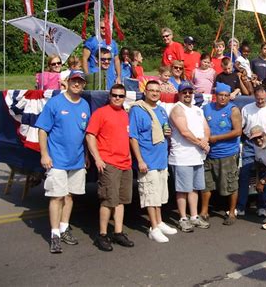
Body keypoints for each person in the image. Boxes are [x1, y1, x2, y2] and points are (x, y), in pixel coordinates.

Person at [35, 70, 91, 253]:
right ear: (67, 82)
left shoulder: (84, 105)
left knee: (69, 196)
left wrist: (86, 156)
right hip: (57, 159)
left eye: (80, 81)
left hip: (77, 160)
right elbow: (42, 130)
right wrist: (44, 154)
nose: (77, 84)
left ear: (84, 85)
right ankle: (54, 235)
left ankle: (64, 228)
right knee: (57, 196)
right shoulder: (55, 102)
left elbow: (84, 134)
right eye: (74, 80)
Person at [86, 84, 134, 251]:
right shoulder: (101, 113)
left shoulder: (125, 115)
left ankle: (118, 232)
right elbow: (90, 135)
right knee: (108, 200)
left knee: (121, 200)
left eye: (121, 96)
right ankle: (103, 234)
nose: (117, 98)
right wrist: (97, 158)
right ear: (109, 96)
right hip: (109, 163)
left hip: (125, 164)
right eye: (114, 95)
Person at [130, 80, 178, 242]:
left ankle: (159, 221)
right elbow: (133, 138)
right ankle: (153, 228)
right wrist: (140, 160)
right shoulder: (138, 110)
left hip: (161, 159)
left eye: (157, 91)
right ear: (145, 91)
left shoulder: (162, 111)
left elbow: (164, 130)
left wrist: (168, 133)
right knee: (150, 195)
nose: (155, 93)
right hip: (147, 160)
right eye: (151, 90)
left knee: (159, 194)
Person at [168, 81, 211, 232]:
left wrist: (205, 141)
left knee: (194, 188)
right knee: (182, 189)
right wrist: (201, 144)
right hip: (182, 156)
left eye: (189, 92)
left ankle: (194, 216)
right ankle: (183, 218)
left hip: (197, 156)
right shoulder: (177, 109)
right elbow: (184, 132)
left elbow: (206, 128)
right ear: (179, 94)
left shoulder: (198, 110)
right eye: (184, 92)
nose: (187, 94)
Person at [237, 86, 266, 217]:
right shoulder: (246, 109)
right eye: (258, 99)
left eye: (263, 99)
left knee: (264, 176)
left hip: (265, 145)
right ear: (254, 96)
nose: (260, 101)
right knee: (244, 175)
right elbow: (240, 128)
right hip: (250, 144)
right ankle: (241, 206)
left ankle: (262, 206)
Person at [200, 83, 242, 225]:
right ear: (215, 95)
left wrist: (216, 138)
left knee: (231, 184)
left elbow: (237, 131)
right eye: (220, 95)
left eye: (226, 95)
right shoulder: (206, 108)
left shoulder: (233, 110)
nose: (223, 98)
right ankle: (204, 211)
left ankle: (231, 213)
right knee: (206, 184)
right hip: (209, 154)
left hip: (227, 154)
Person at [82, 19, 121, 87]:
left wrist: (118, 76)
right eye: (102, 27)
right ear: (98, 28)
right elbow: (84, 59)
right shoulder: (91, 41)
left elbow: (116, 60)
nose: (104, 29)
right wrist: (87, 75)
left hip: (110, 77)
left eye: (106, 27)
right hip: (95, 76)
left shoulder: (113, 43)